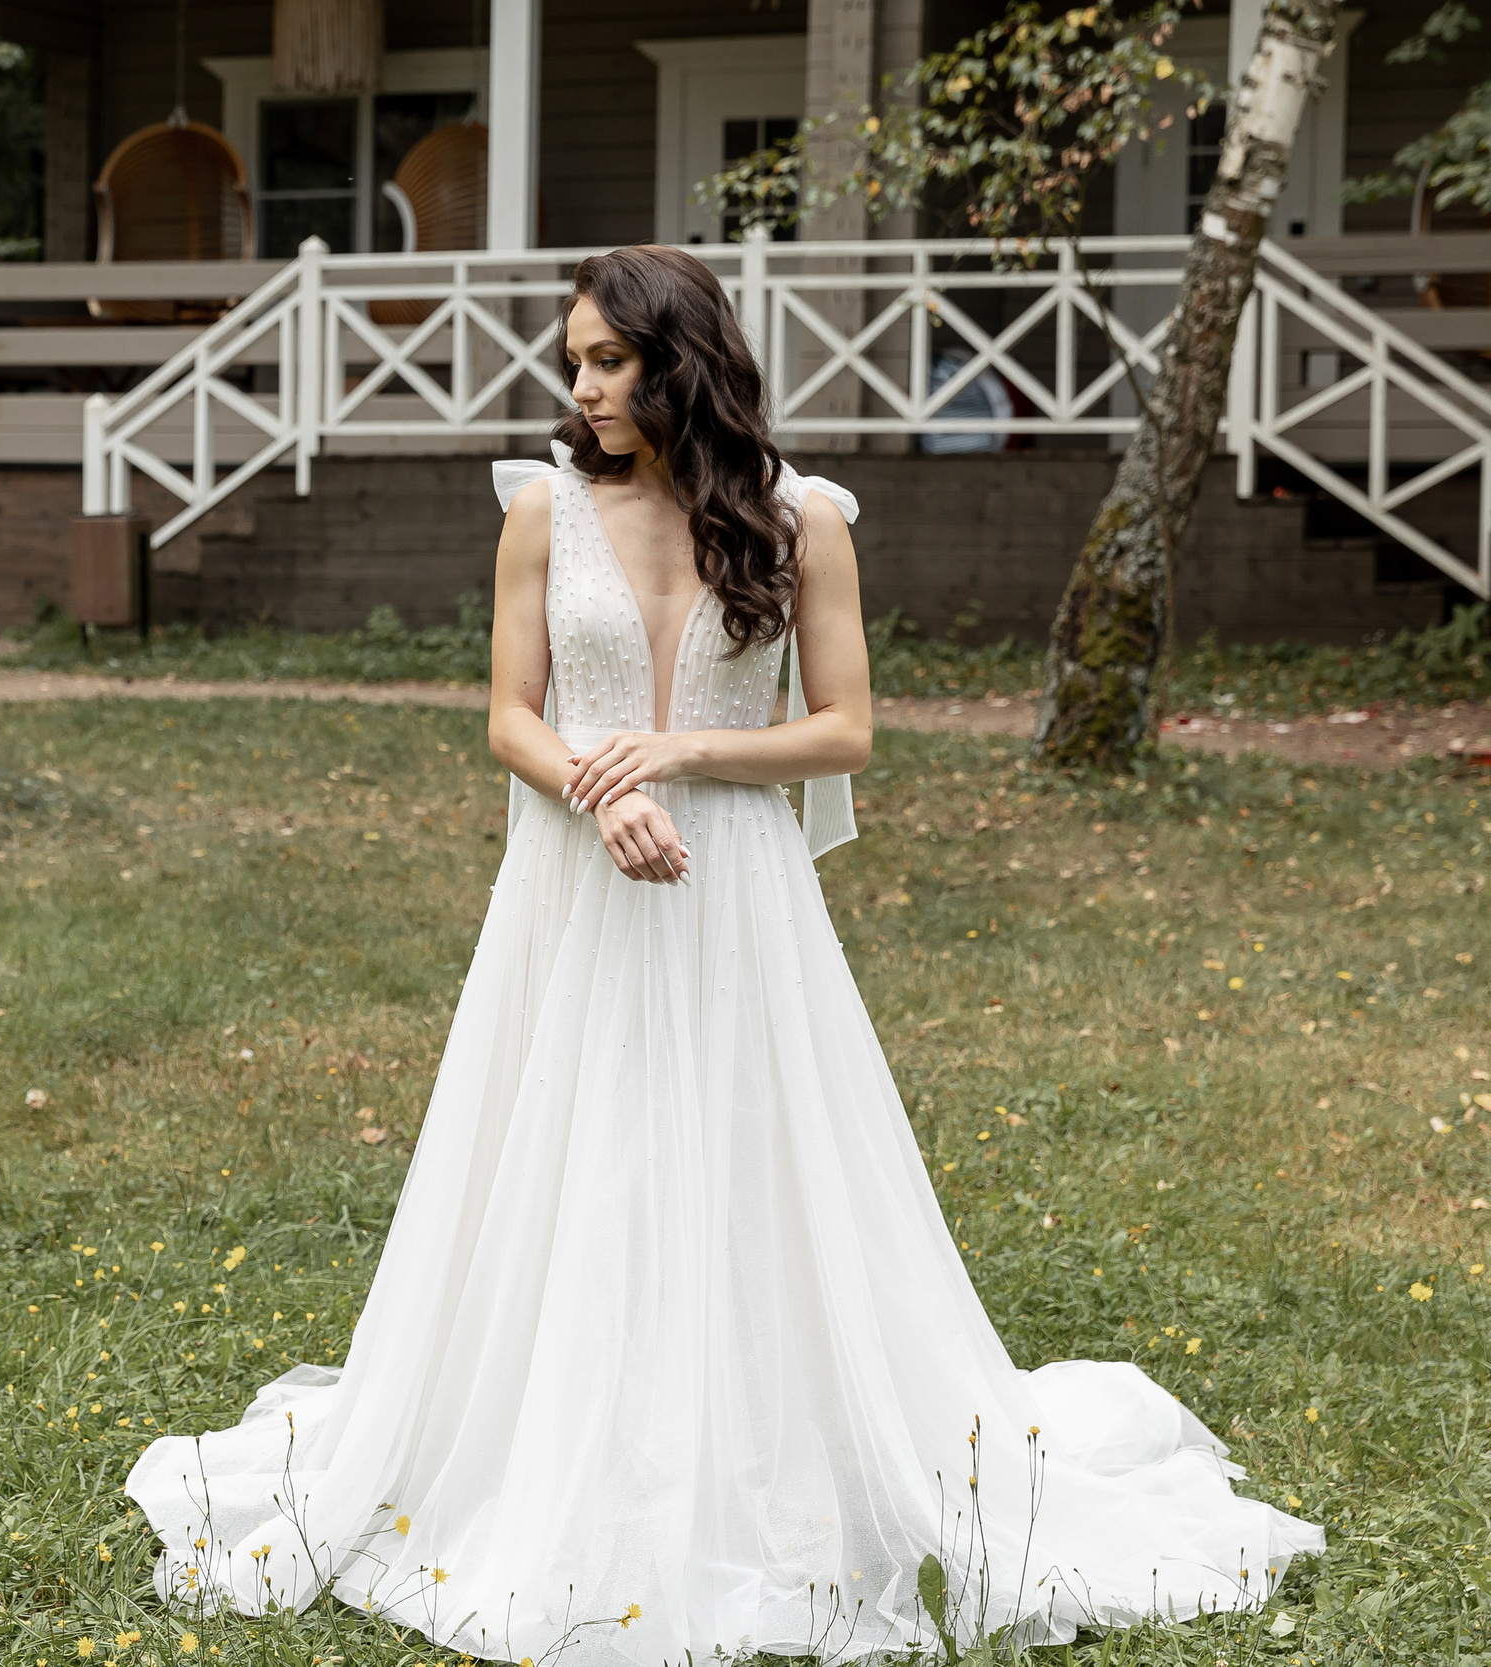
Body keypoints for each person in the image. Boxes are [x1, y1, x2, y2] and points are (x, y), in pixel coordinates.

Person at [123, 246, 1321, 1662]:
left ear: (680, 358)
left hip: (740, 888)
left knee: (751, 1166)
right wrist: (600, 786)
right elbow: (512, 715)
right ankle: (563, 1435)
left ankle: (765, 1440)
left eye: (608, 360)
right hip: (577, 888)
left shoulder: (804, 518)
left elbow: (847, 727)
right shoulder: (541, 511)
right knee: (581, 1155)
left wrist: (684, 751)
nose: (581, 386)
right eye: (572, 360)